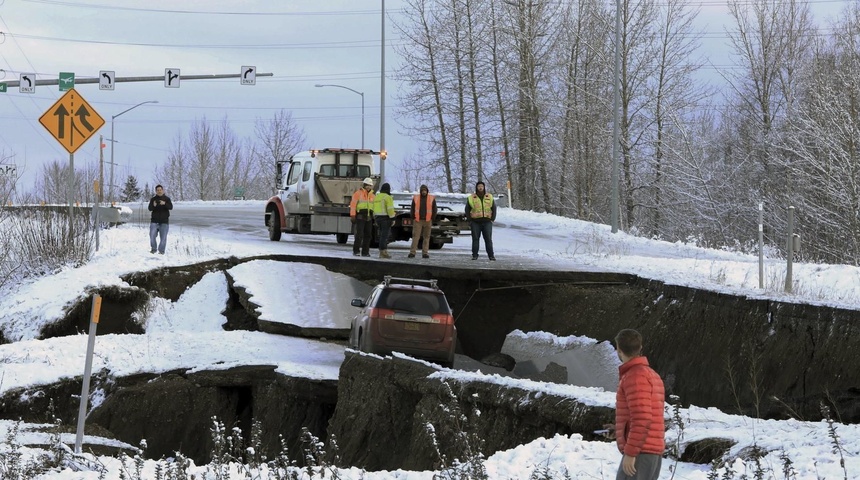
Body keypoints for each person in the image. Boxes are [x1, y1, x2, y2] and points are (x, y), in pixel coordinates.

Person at [609, 329, 665, 480]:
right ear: (640, 348)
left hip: (641, 452)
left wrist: (631, 453)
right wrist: (621, 430)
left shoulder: (635, 376)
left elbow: (642, 418)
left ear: (619, 350)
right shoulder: (651, 374)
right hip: (648, 450)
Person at [465, 181, 497, 261]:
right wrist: (470, 220)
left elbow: (494, 208)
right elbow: (467, 209)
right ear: (476, 187)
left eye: (481, 186)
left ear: (484, 187)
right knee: (475, 239)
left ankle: (491, 255)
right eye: (479, 186)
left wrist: (492, 219)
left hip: (487, 222)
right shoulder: (471, 197)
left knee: (488, 239)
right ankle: (475, 255)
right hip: (475, 222)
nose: (480, 187)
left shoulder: (489, 196)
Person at [408, 184, 436, 259]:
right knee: (415, 237)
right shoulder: (416, 198)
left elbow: (434, 209)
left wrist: (432, 218)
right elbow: (412, 208)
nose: (424, 192)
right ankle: (412, 252)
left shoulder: (431, 198)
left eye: (425, 190)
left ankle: (425, 253)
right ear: (420, 191)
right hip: (418, 220)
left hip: (428, 220)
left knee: (426, 237)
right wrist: (413, 217)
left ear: (427, 191)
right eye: (422, 190)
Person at [350, 177, 375, 257]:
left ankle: (365, 252)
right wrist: (353, 215)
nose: (368, 187)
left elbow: (375, 207)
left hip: (369, 217)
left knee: (368, 235)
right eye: (367, 185)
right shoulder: (358, 193)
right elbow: (353, 205)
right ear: (364, 185)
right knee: (359, 235)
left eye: (370, 185)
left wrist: (375, 217)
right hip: (360, 217)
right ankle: (356, 251)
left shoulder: (373, 196)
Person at [148, 184, 173, 255]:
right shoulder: (153, 199)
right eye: (157, 190)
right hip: (154, 221)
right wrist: (154, 205)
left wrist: (164, 203)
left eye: (160, 190)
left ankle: (161, 251)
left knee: (163, 238)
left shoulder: (167, 199)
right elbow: (150, 208)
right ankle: (153, 249)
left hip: (164, 221)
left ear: (163, 190)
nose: (159, 191)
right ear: (156, 191)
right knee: (152, 235)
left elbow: (171, 207)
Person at [373, 182, 396, 259]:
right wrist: (393, 218)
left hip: (378, 218)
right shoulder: (387, 197)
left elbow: (373, 208)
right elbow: (390, 209)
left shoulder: (377, 197)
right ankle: (383, 252)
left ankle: (382, 252)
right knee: (385, 236)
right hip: (386, 218)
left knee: (381, 236)